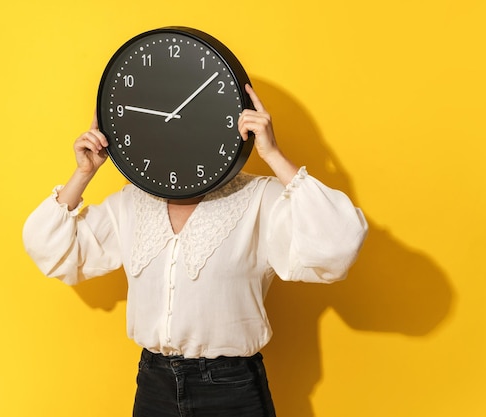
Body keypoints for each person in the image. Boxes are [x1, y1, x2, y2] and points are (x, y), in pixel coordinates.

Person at [23, 84, 368, 417]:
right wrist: (84, 173)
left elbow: (338, 242)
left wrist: (273, 155)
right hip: (153, 385)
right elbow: (51, 250)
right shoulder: (131, 203)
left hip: (232, 390)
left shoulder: (259, 198)